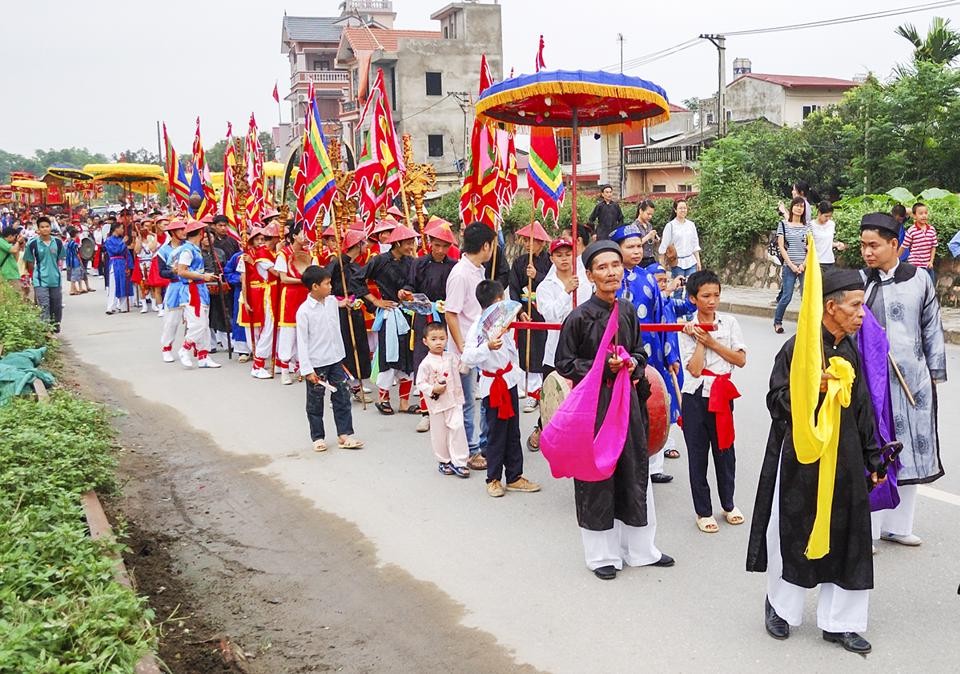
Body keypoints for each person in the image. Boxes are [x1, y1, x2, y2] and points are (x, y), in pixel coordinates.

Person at [746, 268, 883, 655]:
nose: (861, 315)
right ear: (830, 307)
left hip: (846, 459)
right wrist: (810, 388)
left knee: (850, 536)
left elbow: (863, 408)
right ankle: (781, 607)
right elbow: (776, 402)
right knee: (794, 529)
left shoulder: (850, 348)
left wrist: (873, 457)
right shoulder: (797, 349)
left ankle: (841, 622)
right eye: (855, 306)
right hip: (802, 457)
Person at [554, 241, 674, 580]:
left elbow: (640, 353)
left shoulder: (627, 311)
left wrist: (632, 362)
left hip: (627, 405)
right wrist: (602, 366)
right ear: (590, 275)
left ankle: (640, 550)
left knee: (634, 472)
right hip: (595, 409)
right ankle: (601, 555)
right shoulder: (578, 318)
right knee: (597, 476)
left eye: (615, 266)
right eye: (602, 267)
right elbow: (564, 363)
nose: (611, 272)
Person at [860, 212, 946, 547]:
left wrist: (934, 375)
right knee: (876, 454)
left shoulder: (920, 279)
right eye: (863, 245)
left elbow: (932, 328)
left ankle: (899, 526)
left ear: (894, 244)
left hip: (913, 384)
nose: (867, 252)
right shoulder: (860, 282)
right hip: (872, 385)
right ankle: (867, 531)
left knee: (908, 455)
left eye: (874, 245)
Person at [678, 270, 747, 533]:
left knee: (725, 451)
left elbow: (740, 359)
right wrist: (699, 341)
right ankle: (703, 511)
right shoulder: (685, 326)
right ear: (693, 298)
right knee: (698, 455)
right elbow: (694, 369)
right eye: (705, 296)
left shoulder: (729, 323)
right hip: (696, 395)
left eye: (716, 295)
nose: (711, 301)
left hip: (722, 392)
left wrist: (712, 342)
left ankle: (728, 504)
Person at [461, 280, 541, 498]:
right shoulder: (479, 326)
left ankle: (514, 476)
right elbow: (467, 356)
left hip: (509, 380)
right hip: (492, 384)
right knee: (496, 433)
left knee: (513, 431)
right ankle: (493, 478)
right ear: (497, 301)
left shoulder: (504, 321)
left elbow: (512, 350)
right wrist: (487, 346)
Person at [611, 222, 677, 483]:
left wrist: (670, 355)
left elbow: (664, 316)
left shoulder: (649, 277)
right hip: (619, 355)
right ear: (618, 249)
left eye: (639, 246)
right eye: (630, 247)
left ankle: (653, 467)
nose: (637, 251)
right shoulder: (611, 278)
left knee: (652, 406)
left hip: (650, 354)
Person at [529, 237, 591, 451]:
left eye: (568, 254)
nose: (564, 259)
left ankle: (577, 436)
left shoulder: (585, 279)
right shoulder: (546, 286)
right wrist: (566, 292)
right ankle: (542, 427)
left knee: (580, 394)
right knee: (552, 393)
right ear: (552, 258)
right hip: (555, 348)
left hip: (582, 347)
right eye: (559, 255)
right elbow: (550, 315)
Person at [296, 265, 364, 452]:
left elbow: (344, 302)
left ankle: (344, 434)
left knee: (342, 396)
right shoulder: (304, 311)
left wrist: (350, 301)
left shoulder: (332, 301)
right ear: (315, 286)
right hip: (317, 362)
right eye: (327, 283)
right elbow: (302, 342)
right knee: (315, 401)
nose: (331, 286)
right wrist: (307, 369)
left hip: (335, 358)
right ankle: (317, 436)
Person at [445, 222, 496, 472]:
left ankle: (485, 443)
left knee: (485, 395)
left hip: (480, 344)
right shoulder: (460, 274)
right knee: (466, 402)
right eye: (492, 245)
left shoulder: (478, 270)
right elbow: (451, 314)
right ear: (485, 245)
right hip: (464, 349)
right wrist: (462, 347)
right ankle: (470, 450)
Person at [403, 219, 457, 433]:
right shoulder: (419, 263)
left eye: (445, 246)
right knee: (423, 361)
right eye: (437, 245)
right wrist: (404, 292)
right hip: (423, 317)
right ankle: (426, 411)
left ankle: (448, 407)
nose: (440, 250)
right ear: (430, 243)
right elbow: (410, 285)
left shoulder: (454, 266)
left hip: (446, 318)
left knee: (446, 362)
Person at [365, 224, 418, 414]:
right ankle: (384, 398)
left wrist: (408, 291)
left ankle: (404, 403)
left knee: (407, 356)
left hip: (407, 313)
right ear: (397, 242)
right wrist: (375, 300)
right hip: (389, 314)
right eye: (408, 242)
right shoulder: (379, 261)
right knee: (388, 354)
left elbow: (414, 283)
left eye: (412, 242)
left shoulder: (412, 262)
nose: (411, 245)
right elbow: (357, 279)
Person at [650, 263, 695, 461]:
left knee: (671, 400)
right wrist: (668, 290)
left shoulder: (669, 303)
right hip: (655, 359)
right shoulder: (652, 303)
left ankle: (667, 442)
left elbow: (688, 306)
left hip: (672, 360)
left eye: (664, 280)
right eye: (657, 281)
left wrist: (688, 289)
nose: (662, 284)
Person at [415, 322, 470, 478]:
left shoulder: (451, 357)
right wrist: (433, 389)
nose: (438, 342)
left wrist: (468, 355)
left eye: (442, 338)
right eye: (434, 339)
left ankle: (460, 462)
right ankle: (444, 460)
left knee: (458, 428)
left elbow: (463, 368)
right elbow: (420, 383)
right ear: (425, 341)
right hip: (437, 403)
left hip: (454, 400)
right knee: (440, 433)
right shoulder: (425, 363)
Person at [508, 221, 552, 413]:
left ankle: (541, 390)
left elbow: (553, 284)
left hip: (543, 310)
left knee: (542, 348)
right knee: (527, 348)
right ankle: (530, 391)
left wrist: (537, 276)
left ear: (542, 242)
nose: (527, 244)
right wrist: (519, 310)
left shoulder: (550, 262)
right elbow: (513, 288)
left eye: (532, 241)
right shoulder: (519, 262)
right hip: (526, 310)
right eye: (525, 240)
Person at [169, 220, 221, 369]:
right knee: (198, 324)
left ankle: (203, 356)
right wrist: (202, 276)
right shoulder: (187, 250)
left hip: (200, 289)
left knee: (204, 325)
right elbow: (181, 271)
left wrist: (205, 276)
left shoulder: (194, 249)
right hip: (191, 291)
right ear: (200, 233)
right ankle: (185, 348)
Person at [328, 229, 373, 399]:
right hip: (339, 312)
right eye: (364, 242)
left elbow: (361, 289)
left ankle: (357, 386)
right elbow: (324, 287)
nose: (367, 245)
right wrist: (338, 302)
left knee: (359, 348)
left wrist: (373, 306)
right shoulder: (335, 264)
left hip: (355, 311)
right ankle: (340, 389)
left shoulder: (356, 266)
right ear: (358, 244)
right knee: (344, 347)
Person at [274, 223, 313, 384]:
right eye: (303, 234)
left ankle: (301, 367)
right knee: (288, 332)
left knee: (305, 332)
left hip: (306, 295)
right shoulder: (283, 254)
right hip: (290, 295)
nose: (305, 237)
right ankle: (284, 369)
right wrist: (303, 280)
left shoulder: (309, 253)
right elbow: (283, 278)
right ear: (295, 235)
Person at [240, 224, 280, 379]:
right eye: (258, 239)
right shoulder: (262, 254)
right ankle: (258, 364)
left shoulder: (270, 253)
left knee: (272, 329)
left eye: (263, 238)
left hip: (270, 293)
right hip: (266, 294)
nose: (261, 242)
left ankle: (277, 361)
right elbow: (276, 274)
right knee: (267, 330)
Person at [773, 197, 810, 334]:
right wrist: (792, 265)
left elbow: (810, 248)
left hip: (804, 267)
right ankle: (777, 322)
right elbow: (781, 247)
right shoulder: (783, 224)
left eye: (802, 206)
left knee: (805, 297)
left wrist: (803, 265)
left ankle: (805, 324)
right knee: (787, 296)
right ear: (792, 207)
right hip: (789, 266)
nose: (799, 208)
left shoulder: (807, 226)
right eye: (797, 205)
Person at [23, 215, 66, 330]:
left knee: (56, 305)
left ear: (50, 227)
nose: (45, 229)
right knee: (44, 305)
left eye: (47, 226)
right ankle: (45, 331)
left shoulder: (57, 242)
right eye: (42, 227)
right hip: (40, 280)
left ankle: (55, 325)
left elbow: (60, 258)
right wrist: (35, 274)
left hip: (55, 279)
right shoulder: (32, 244)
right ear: (38, 229)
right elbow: (30, 262)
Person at [658, 199, 701, 295]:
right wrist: (662, 266)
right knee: (678, 289)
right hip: (677, 263)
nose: (683, 210)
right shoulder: (670, 226)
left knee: (691, 288)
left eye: (685, 208)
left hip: (691, 261)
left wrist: (698, 261)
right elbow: (663, 247)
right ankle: (676, 309)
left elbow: (695, 244)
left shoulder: (691, 225)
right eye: (680, 208)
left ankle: (688, 309)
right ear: (675, 210)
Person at [899, 202, 938, 280]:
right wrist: (895, 259)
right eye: (920, 213)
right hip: (915, 266)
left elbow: (933, 246)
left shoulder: (931, 229)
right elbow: (903, 246)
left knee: (931, 289)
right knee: (918, 289)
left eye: (926, 213)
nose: (924, 215)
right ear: (914, 216)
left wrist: (931, 261)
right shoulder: (911, 231)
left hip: (928, 266)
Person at [103, 220, 133, 314]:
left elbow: (127, 253)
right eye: (121, 228)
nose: (123, 230)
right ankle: (111, 306)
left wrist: (129, 265)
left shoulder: (121, 240)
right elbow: (115, 251)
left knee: (123, 283)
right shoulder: (108, 240)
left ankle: (123, 306)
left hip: (123, 263)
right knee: (114, 285)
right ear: (116, 229)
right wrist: (123, 243)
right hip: (115, 262)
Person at [811, 201, 846, 268]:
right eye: (826, 216)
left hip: (830, 261)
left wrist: (837, 244)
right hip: (816, 262)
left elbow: (827, 241)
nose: (828, 219)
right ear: (819, 213)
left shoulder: (831, 224)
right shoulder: (811, 225)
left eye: (830, 216)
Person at [632, 200, 659, 268]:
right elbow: (635, 243)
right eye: (648, 214)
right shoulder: (634, 226)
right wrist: (648, 236)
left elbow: (650, 243)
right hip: (640, 260)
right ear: (641, 211)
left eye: (651, 215)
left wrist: (654, 239)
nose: (650, 217)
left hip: (651, 258)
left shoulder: (649, 225)